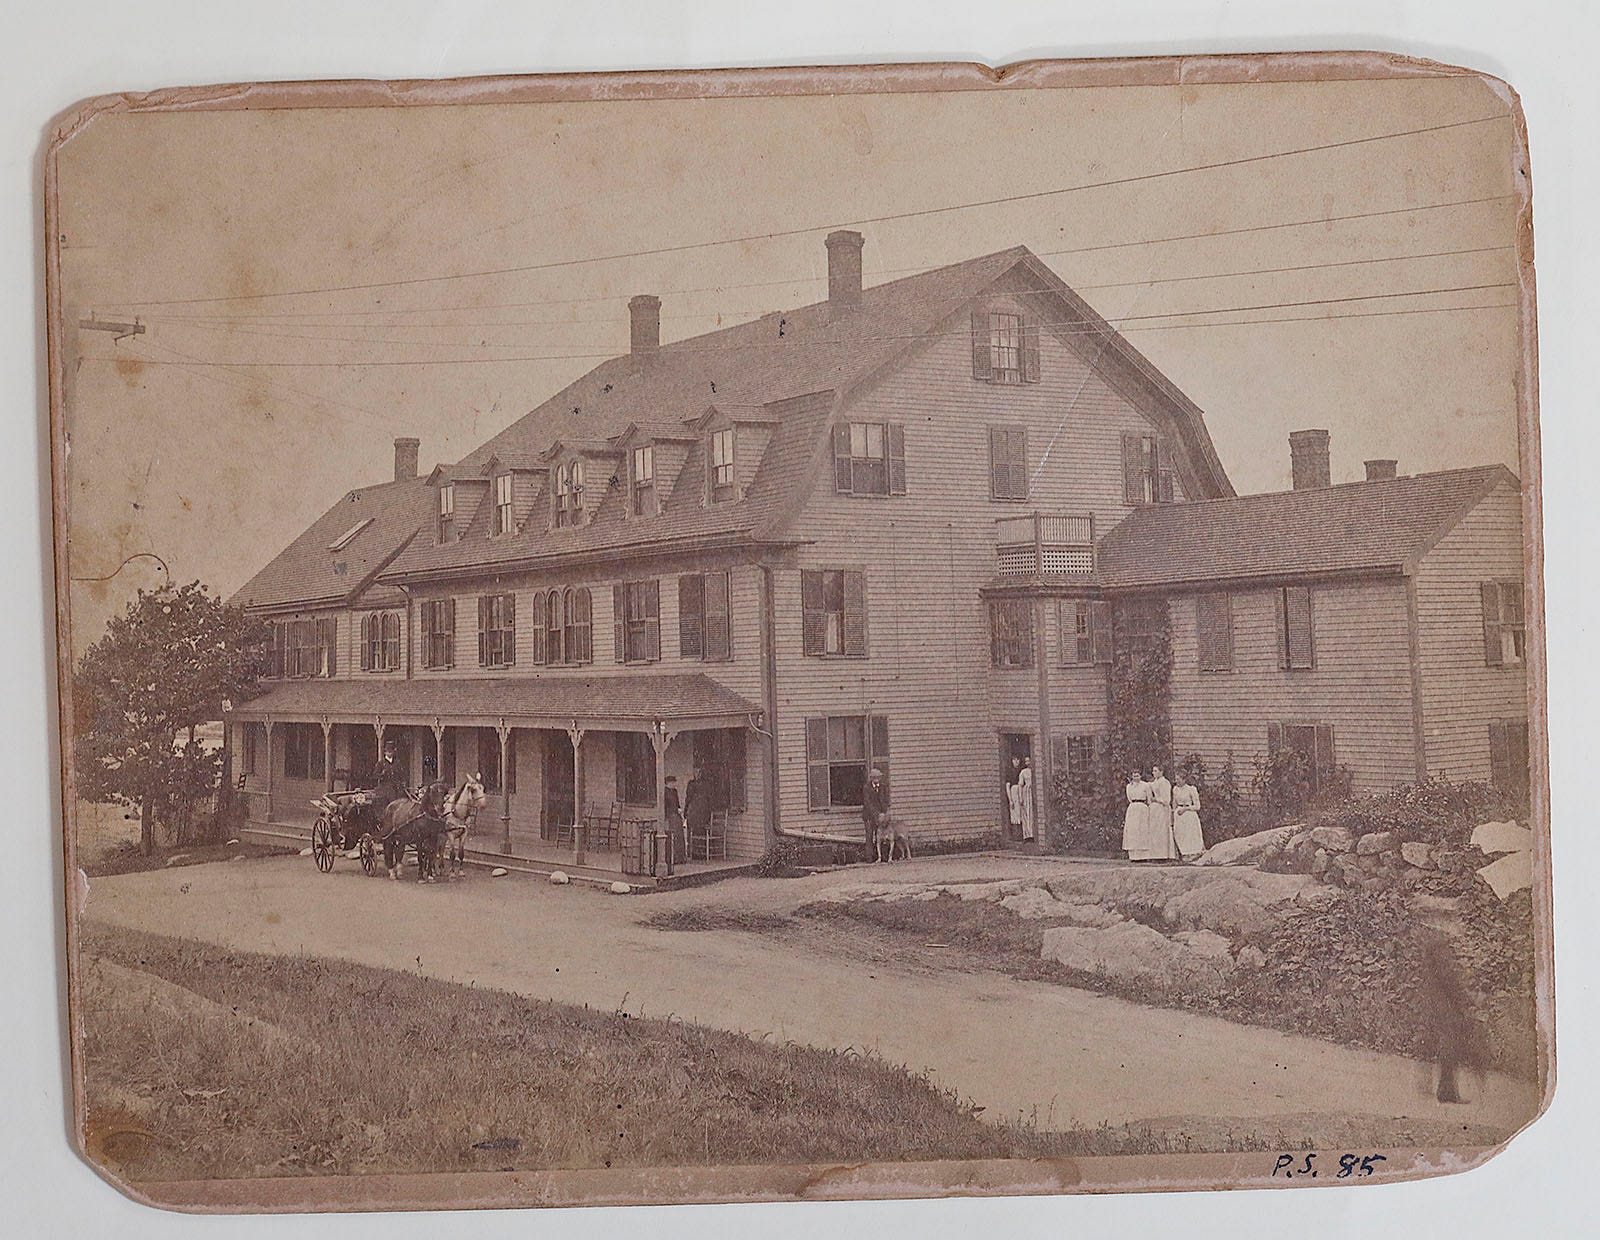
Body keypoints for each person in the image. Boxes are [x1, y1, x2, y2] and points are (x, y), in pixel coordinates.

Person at [1146, 763, 1178, 862]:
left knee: (1162, 830)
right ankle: (1155, 854)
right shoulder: (1154, 782)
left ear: (1161, 772)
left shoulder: (1165, 783)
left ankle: (1163, 855)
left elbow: (1166, 800)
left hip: (1162, 809)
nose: (1153, 773)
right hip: (1155, 809)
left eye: (1156, 771)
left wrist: (1156, 799)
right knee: (1154, 831)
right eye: (1153, 771)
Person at [1172, 771, 1205, 859]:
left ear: (1184, 779)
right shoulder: (1175, 789)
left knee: (1190, 835)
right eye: (1176, 779)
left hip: (1189, 814)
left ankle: (1193, 854)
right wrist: (1174, 813)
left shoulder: (1191, 789)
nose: (1177, 781)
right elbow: (1174, 803)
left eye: (1178, 779)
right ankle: (1183, 854)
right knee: (1179, 834)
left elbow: (1197, 806)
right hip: (1179, 815)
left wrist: (1185, 809)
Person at [682, 765, 712, 860]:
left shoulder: (705, 784)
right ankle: (693, 853)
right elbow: (688, 797)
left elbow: (709, 798)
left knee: (700, 831)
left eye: (699, 772)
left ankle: (701, 853)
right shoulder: (691, 784)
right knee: (692, 831)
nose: (697, 774)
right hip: (694, 810)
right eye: (695, 772)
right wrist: (686, 810)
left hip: (702, 811)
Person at [863, 767, 892, 860]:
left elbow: (886, 801)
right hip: (869, 816)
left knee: (882, 836)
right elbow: (868, 803)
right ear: (871, 778)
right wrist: (876, 814)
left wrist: (884, 813)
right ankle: (869, 858)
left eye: (878, 777)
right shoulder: (866, 787)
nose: (876, 779)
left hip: (881, 817)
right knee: (869, 836)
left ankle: (882, 857)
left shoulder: (883, 787)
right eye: (874, 777)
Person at [1122, 770, 1151, 860]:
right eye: (1134, 776)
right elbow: (1129, 798)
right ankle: (1133, 855)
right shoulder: (1129, 787)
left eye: (1137, 776)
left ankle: (1144, 855)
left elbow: (1149, 798)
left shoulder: (1145, 785)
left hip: (1142, 808)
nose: (1136, 778)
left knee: (1142, 829)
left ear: (1141, 776)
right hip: (1133, 808)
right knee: (1133, 830)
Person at [663, 774, 685, 866]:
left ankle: (680, 858)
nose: (674, 784)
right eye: (672, 782)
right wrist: (674, 810)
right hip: (670, 816)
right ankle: (672, 858)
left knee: (679, 837)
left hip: (677, 816)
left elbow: (677, 803)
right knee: (672, 836)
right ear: (668, 783)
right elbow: (665, 807)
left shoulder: (674, 791)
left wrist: (679, 810)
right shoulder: (665, 792)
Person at [1016, 755, 1036, 843]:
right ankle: (1027, 835)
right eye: (1026, 761)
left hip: (1034, 792)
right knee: (1026, 813)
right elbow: (1020, 785)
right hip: (1026, 793)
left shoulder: (1034, 771)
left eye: (1029, 761)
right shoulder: (1023, 772)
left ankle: (1034, 834)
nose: (1028, 763)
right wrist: (1020, 797)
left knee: (1032, 813)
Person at [1005, 756, 1024, 837]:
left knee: (1022, 812)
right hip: (1013, 793)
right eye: (1014, 760)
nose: (1016, 761)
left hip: (1021, 792)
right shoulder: (1010, 772)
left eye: (1017, 759)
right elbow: (1007, 786)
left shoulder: (1021, 771)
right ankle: (1016, 834)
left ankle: (1023, 834)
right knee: (1014, 813)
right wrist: (1010, 800)